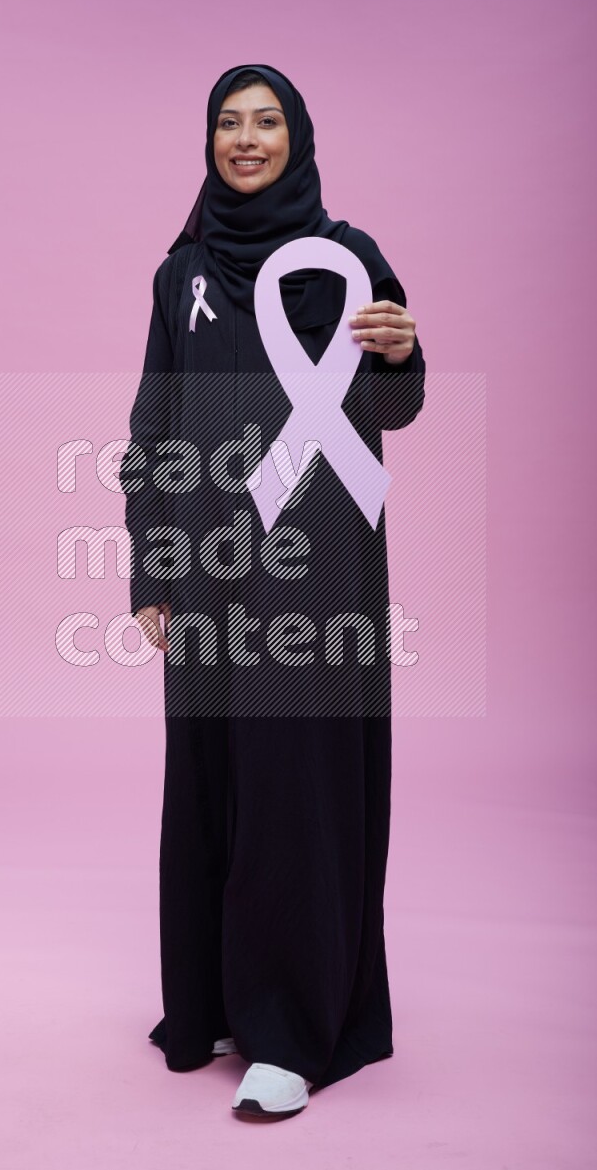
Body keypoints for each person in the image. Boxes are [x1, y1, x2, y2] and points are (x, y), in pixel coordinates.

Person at [122, 63, 425, 1119]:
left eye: (264, 123)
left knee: (297, 791)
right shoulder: (182, 273)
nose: (243, 140)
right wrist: (148, 569)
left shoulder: (344, 259)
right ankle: (208, 996)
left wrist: (402, 351)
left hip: (315, 577)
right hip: (205, 574)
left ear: (296, 137)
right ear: (207, 141)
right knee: (210, 783)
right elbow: (151, 431)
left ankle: (294, 1027)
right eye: (225, 123)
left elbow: (392, 404)